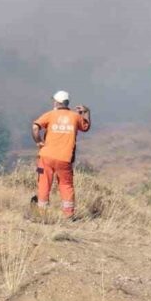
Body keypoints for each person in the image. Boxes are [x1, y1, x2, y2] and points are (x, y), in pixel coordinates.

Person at [30, 90, 91, 218]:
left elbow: (35, 127)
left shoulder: (50, 115)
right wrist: (86, 112)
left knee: (43, 183)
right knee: (66, 185)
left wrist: (39, 142)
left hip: (45, 157)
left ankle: (42, 213)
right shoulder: (75, 117)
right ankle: (68, 215)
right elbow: (85, 127)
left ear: (57, 102)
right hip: (65, 159)